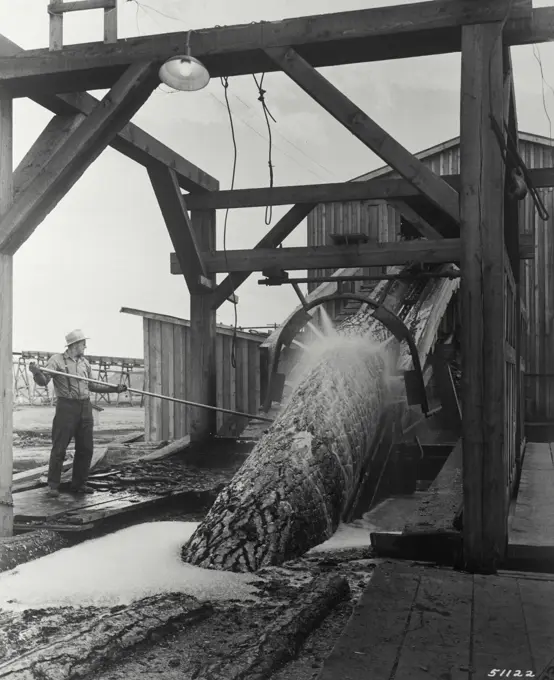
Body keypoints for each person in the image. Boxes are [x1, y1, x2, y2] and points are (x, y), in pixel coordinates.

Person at [29, 329, 127, 498]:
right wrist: (36, 372)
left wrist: (115, 389)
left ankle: (79, 484)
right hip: (66, 407)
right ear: (74, 345)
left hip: (85, 407)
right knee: (59, 448)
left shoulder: (85, 363)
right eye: (83, 343)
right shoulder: (56, 360)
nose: (85, 346)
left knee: (86, 448)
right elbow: (43, 381)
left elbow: (93, 385)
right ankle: (53, 486)